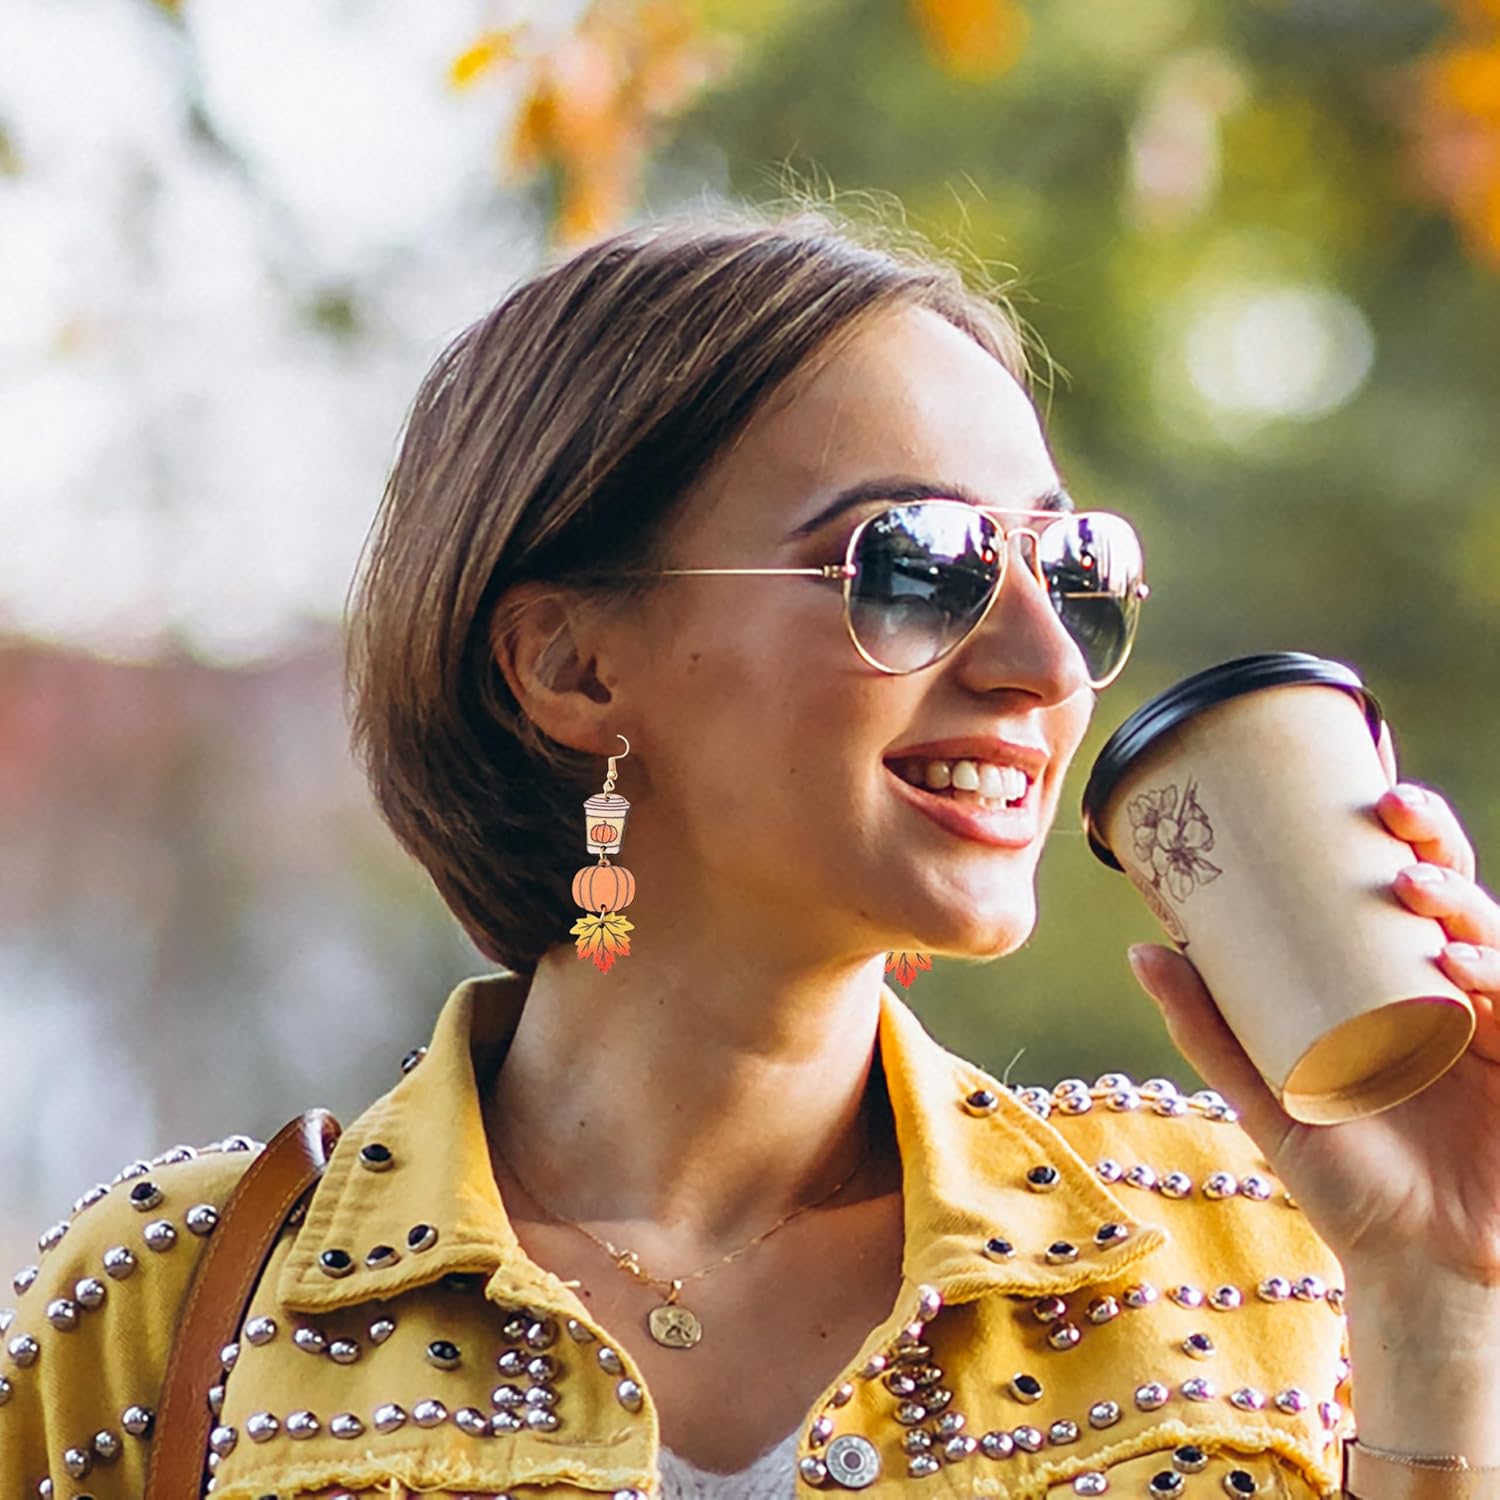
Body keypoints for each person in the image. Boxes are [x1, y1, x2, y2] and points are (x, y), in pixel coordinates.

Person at [4, 209, 1497, 1500]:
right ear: (573, 667)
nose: (1048, 664)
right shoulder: (172, 1299)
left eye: (1075, 570)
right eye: (919, 565)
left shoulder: (1254, 1250)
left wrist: (1436, 1300)